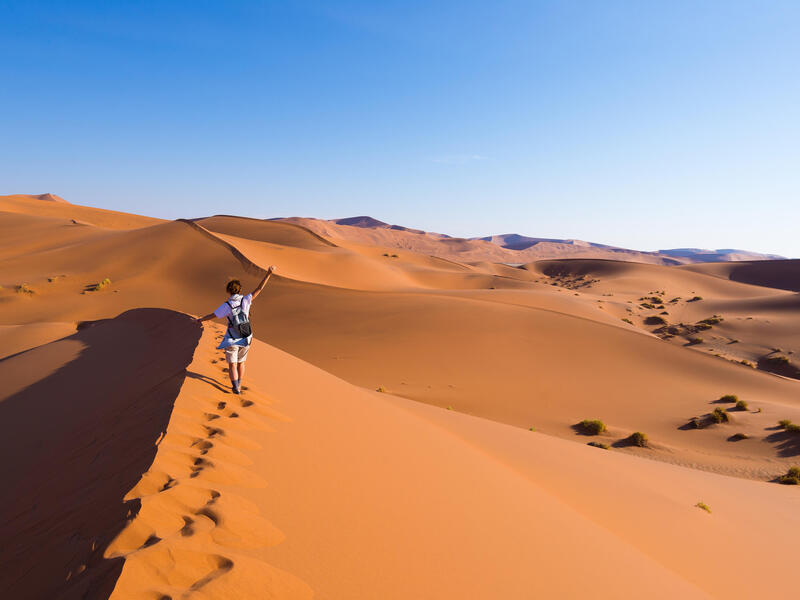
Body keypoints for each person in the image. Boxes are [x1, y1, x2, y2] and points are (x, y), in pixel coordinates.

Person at [195, 266, 276, 394]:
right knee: (241, 362)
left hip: (232, 337)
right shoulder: (246, 299)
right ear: (239, 290)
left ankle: (235, 388)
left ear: (228, 291)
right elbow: (259, 289)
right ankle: (239, 383)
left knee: (232, 364)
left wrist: (200, 320)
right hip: (246, 335)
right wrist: (269, 274)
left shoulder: (227, 305)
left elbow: (213, 315)